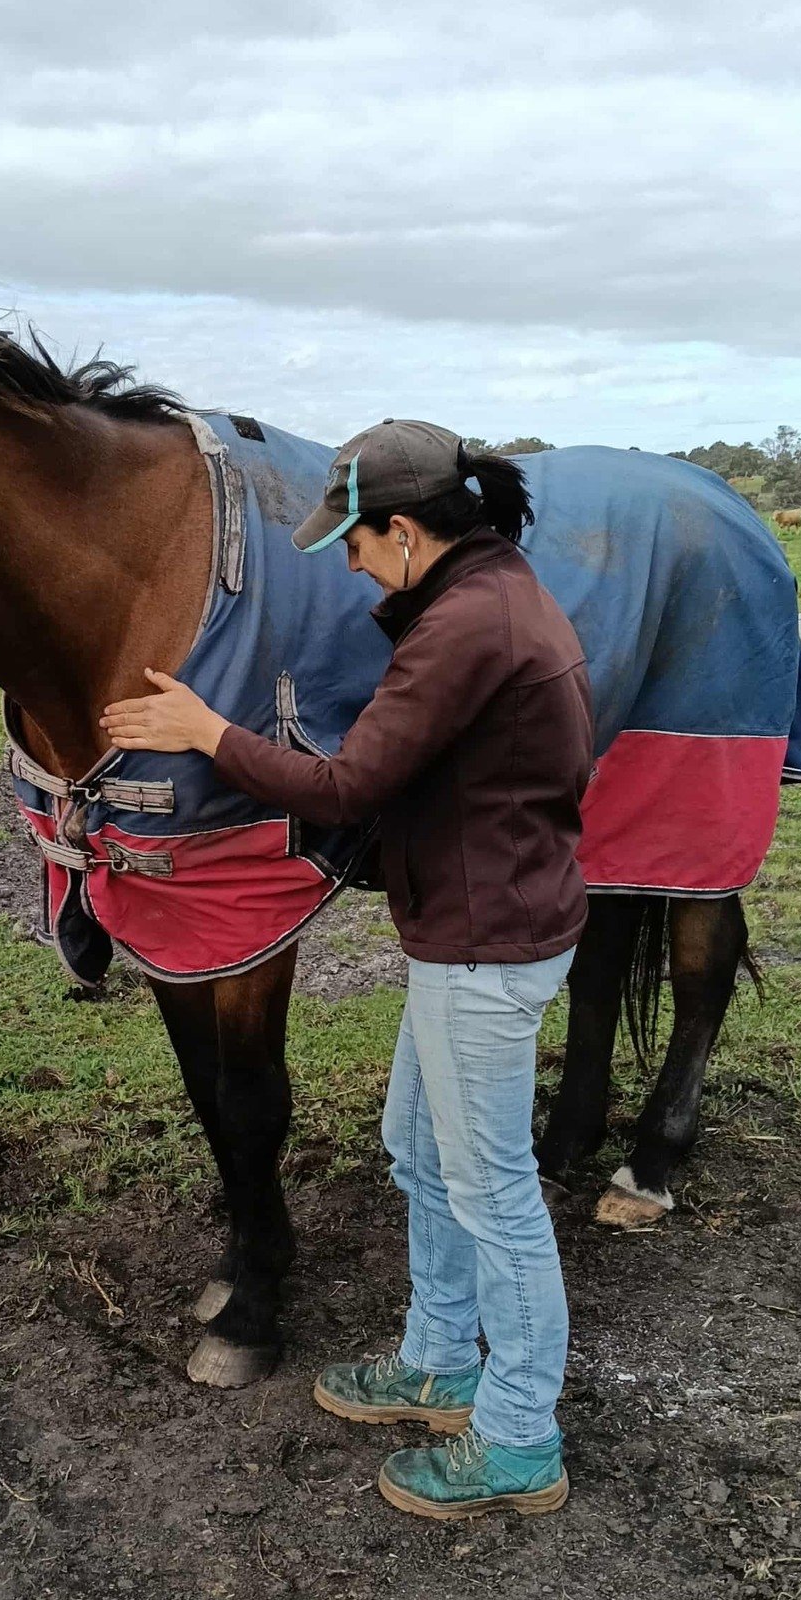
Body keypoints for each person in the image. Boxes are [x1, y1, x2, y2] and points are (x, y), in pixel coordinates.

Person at [102, 419, 593, 1521]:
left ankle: (518, 1434)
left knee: (495, 1189)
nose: (353, 564)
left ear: (408, 531)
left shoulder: (467, 625)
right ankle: (435, 1357)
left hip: (483, 944)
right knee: (419, 1148)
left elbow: (346, 787)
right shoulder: (483, 595)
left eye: (360, 545)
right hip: (472, 926)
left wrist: (206, 732)